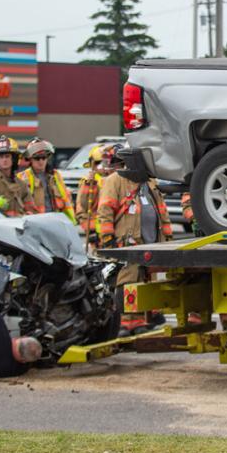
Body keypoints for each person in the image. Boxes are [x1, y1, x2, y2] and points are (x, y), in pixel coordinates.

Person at [95, 146, 174, 331]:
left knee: (147, 281)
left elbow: (162, 211)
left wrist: (168, 238)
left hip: (152, 242)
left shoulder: (150, 182)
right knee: (128, 281)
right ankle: (127, 322)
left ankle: (144, 319)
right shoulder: (115, 181)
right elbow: (105, 211)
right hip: (128, 242)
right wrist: (108, 239)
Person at [18, 137, 76, 223]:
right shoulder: (22, 177)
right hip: (35, 223)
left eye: (43, 158)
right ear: (30, 159)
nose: (41, 161)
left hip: (56, 222)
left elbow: (66, 199)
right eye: (37, 158)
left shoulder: (55, 175)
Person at [77, 143, 118, 254]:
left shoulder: (116, 180)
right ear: (92, 165)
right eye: (98, 163)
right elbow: (83, 209)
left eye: (104, 162)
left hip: (117, 231)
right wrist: (91, 232)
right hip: (99, 234)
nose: (101, 166)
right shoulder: (88, 182)